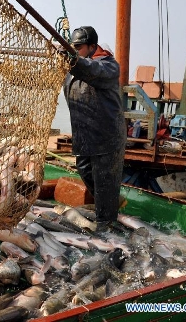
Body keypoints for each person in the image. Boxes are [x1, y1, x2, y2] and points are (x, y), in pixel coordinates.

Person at [62, 26, 126, 232]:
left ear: (92, 47)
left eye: (78, 47)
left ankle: (106, 227)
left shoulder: (109, 66)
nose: (75, 51)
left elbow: (91, 70)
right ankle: (109, 205)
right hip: (84, 138)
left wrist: (73, 60)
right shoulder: (71, 72)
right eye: (73, 48)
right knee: (85, 171)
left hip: (106, 137)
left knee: (105, 180)